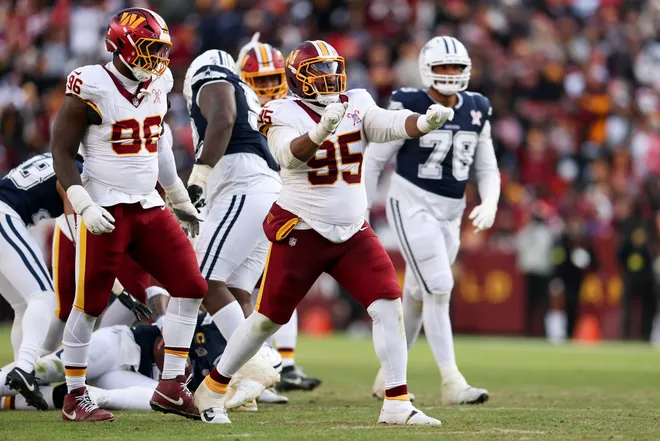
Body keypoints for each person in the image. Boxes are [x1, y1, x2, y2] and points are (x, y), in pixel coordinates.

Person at [193, 39, 454, 425]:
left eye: (333, 69)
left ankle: (397, 402)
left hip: (352, 232)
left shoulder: (358, 102)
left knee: (388, 304)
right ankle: (211, 389)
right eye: (319, 71)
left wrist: (424, 122)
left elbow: (387, 124)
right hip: (302, 229)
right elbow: (288, 156)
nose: (330, 78)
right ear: (298, 77)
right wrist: (320, 131)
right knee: (266, 319)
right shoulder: (278, 110)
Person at [51, 7, 205, 422]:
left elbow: (159, 144)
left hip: (148, 205)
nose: (157, 59)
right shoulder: (90, 84)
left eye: (161, 50)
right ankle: (74, 396)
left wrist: (176, 196)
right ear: (123, 45)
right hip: (104, 206)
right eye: (150, 48)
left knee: (191, 285)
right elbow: (61, 153)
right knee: (89, 305)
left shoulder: (159, 81)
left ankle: (171, 386)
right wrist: (84, 203)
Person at [364, 36, 497, 405]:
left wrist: (490, 202)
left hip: (451, 213)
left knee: (419, 294)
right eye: (443, 68)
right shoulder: (409, 102)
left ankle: (386, 377)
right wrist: (361, 206)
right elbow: (375, 159)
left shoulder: (477, 107)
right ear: (427, 70)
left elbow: (487, 165)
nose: (451, 74)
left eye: (456, 67)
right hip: (411, 203)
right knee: (439, 286)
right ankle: (452, 381)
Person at [236, 33, 321, 392]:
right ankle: (256, 362)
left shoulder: (291, 110)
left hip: (283, 203)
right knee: (236, 285)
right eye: (262, 80)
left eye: (275, 78)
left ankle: (283, 363)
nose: (270, 86)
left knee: (282, 283)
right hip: (248, 202)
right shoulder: (239, 108)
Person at [0, 153, 77, 410]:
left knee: (24, 305)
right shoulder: (76, 167)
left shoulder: (56, 155)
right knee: (43, 297)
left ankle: (22, 375)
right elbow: (74, 222)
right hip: (4, 214)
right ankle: (25, 368)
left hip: (6, 213)